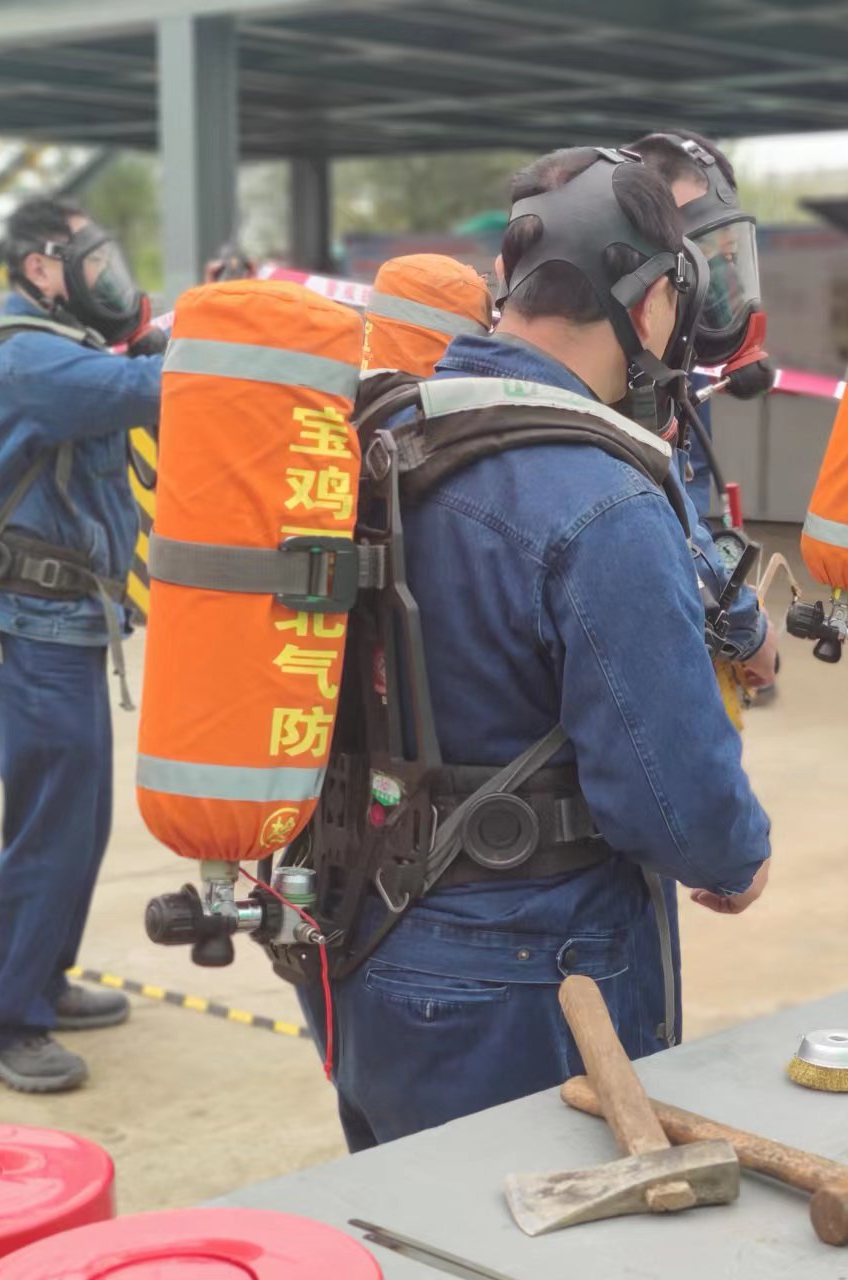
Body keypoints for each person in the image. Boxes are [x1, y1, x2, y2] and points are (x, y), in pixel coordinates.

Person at [302, 147, 771, 1150]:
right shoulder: (599, 500)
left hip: (364, 945)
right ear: (648, 304)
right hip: (533, 985)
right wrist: (739, 852)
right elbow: (680, 808)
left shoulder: (387, 434)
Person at [0, 197, 164, 1091]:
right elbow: (142, 391)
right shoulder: (29, 361)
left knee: (77, 823)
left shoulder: (52, 352)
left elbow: (127, 376)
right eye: (88, 259)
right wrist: (228, 340)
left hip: (59, 630)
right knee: (49, 829)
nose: (106, 277)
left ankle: (42, 979)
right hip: (30, 636)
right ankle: (6, 1024)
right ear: (41, 269)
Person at [626, 129, 778, 697]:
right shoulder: (619, 388)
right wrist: (749, 632)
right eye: (700, 254)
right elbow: (667, 535)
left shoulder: (666, 369)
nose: (715, 281)